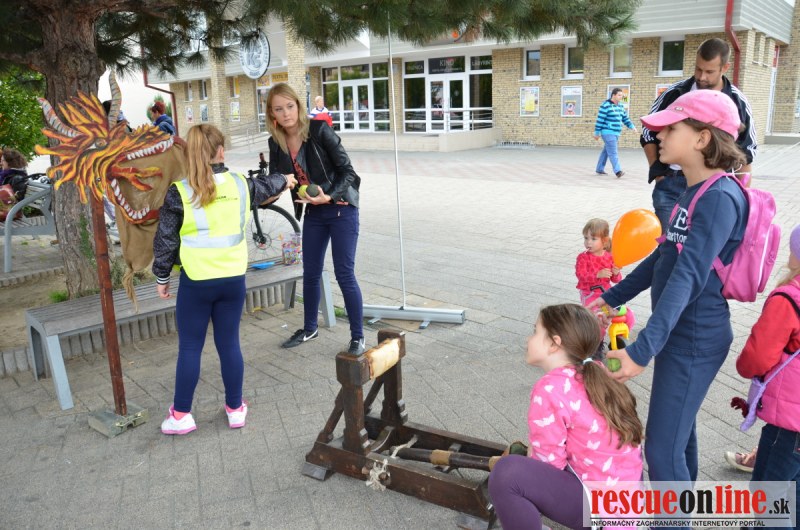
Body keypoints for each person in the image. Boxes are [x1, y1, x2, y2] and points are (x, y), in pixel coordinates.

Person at [588, 89, 749, 490]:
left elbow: (688, 274)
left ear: (702, 138)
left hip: (694, 339)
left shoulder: (720, 197)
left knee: (661, 450)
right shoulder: (693, 191)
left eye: (670, 128)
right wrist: (610, 298)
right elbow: (663, 256)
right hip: (678, 334)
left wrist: (642, 349)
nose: (658, 135)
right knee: (677, 437)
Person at [153, 123, 296, 435]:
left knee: (190, 347)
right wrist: (286, 179)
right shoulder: (240, 185)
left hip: (196, 282)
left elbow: (165, 241)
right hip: (232, 280)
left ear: (190, 153)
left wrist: (162, 277)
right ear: (221, 151)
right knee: (229, 343)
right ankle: (235, 409)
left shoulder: (179, 192)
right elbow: (268, 184)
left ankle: (181, 415)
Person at [488, 304, 643, 530]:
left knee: (507, 475)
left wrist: (529, 457)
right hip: (626, 508)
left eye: (535, 332)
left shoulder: (550, 388)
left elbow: (549, 464)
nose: (529, 339)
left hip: (601, 514)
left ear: (554, 343)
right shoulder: (597, 371)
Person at [266, 83, 365, 356]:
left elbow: (349, 173)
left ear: (298, 106)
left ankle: (358, 336)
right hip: (313, 213)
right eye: (279, 109)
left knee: (344, 274)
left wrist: (329, 196)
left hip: (341, 208)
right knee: (310, 273)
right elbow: (277, 180)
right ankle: (310, 328)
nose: (286, 113)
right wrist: (265, 193)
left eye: (290, 106)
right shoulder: (276, 143)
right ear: (272, 114)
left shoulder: (320, 130)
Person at [642, 37, 756, 233]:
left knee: (704, 243)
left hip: (714, 187)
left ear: (725, 67)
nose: (702, 77)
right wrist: (660, 174)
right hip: (672, 183)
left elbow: (746, 153)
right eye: (698, 69)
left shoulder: (737, 102)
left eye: (709, 71)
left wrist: (742, 198)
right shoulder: (674, 93)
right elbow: (648, 133)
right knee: (668, 243)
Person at [732, 224, 800, 502]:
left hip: (790, 425)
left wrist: (743, 366)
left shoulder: (788, 299)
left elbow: (758, 357)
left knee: (767, 496)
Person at [575, 218, 621, 305]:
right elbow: (581, 276)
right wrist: (597, 275)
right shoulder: (583, 257)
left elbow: (616, 280)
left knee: (619, 310)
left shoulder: (609, 257)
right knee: (595, 312)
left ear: (604, 240)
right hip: (589, 294)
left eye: (593, 239)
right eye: (586, 238)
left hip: (606, 293)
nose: (588, 242)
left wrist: (616, 273)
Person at [594, 88, 636, 178]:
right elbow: (600, 120)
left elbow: (625, 118)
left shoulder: (620, 106)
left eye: (622, 95)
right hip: (607, 132)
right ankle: (618, 171)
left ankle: (599, 169)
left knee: (606, 151)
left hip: (616, 133)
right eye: (619, 95)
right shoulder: (605, 105)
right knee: (613, 152)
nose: (621, 97)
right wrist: (597, 133)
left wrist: (632, 126)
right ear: (613, 95)